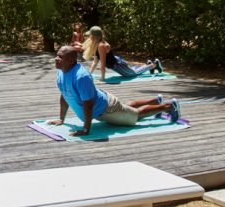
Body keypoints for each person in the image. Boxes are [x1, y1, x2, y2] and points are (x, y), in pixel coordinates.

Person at [48, 45, 179, 136]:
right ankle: (156, 100)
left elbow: (88, 104)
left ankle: (168, 106)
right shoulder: (62, 71)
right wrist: (61, 119)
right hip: (104, 103)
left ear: (71, 60)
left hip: (107, 108)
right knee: (124, 107)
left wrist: (86, 129)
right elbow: (64, 94)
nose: (56, 59)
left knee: (136, 115)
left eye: (60, 57)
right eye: (57, 56)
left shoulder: (81, 77)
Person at [74, 26, 162, 81]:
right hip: (116, 64)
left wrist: (102, 78)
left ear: (95, 36)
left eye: (90, 35)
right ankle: (148, 64)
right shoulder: (97, 44)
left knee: (134, 74)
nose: (89, 37)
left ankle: (154, 65)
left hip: (118, 65)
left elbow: (103, 64)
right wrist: (90, 74)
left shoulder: (101, 46)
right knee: (133, 71)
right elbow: (96, 61)